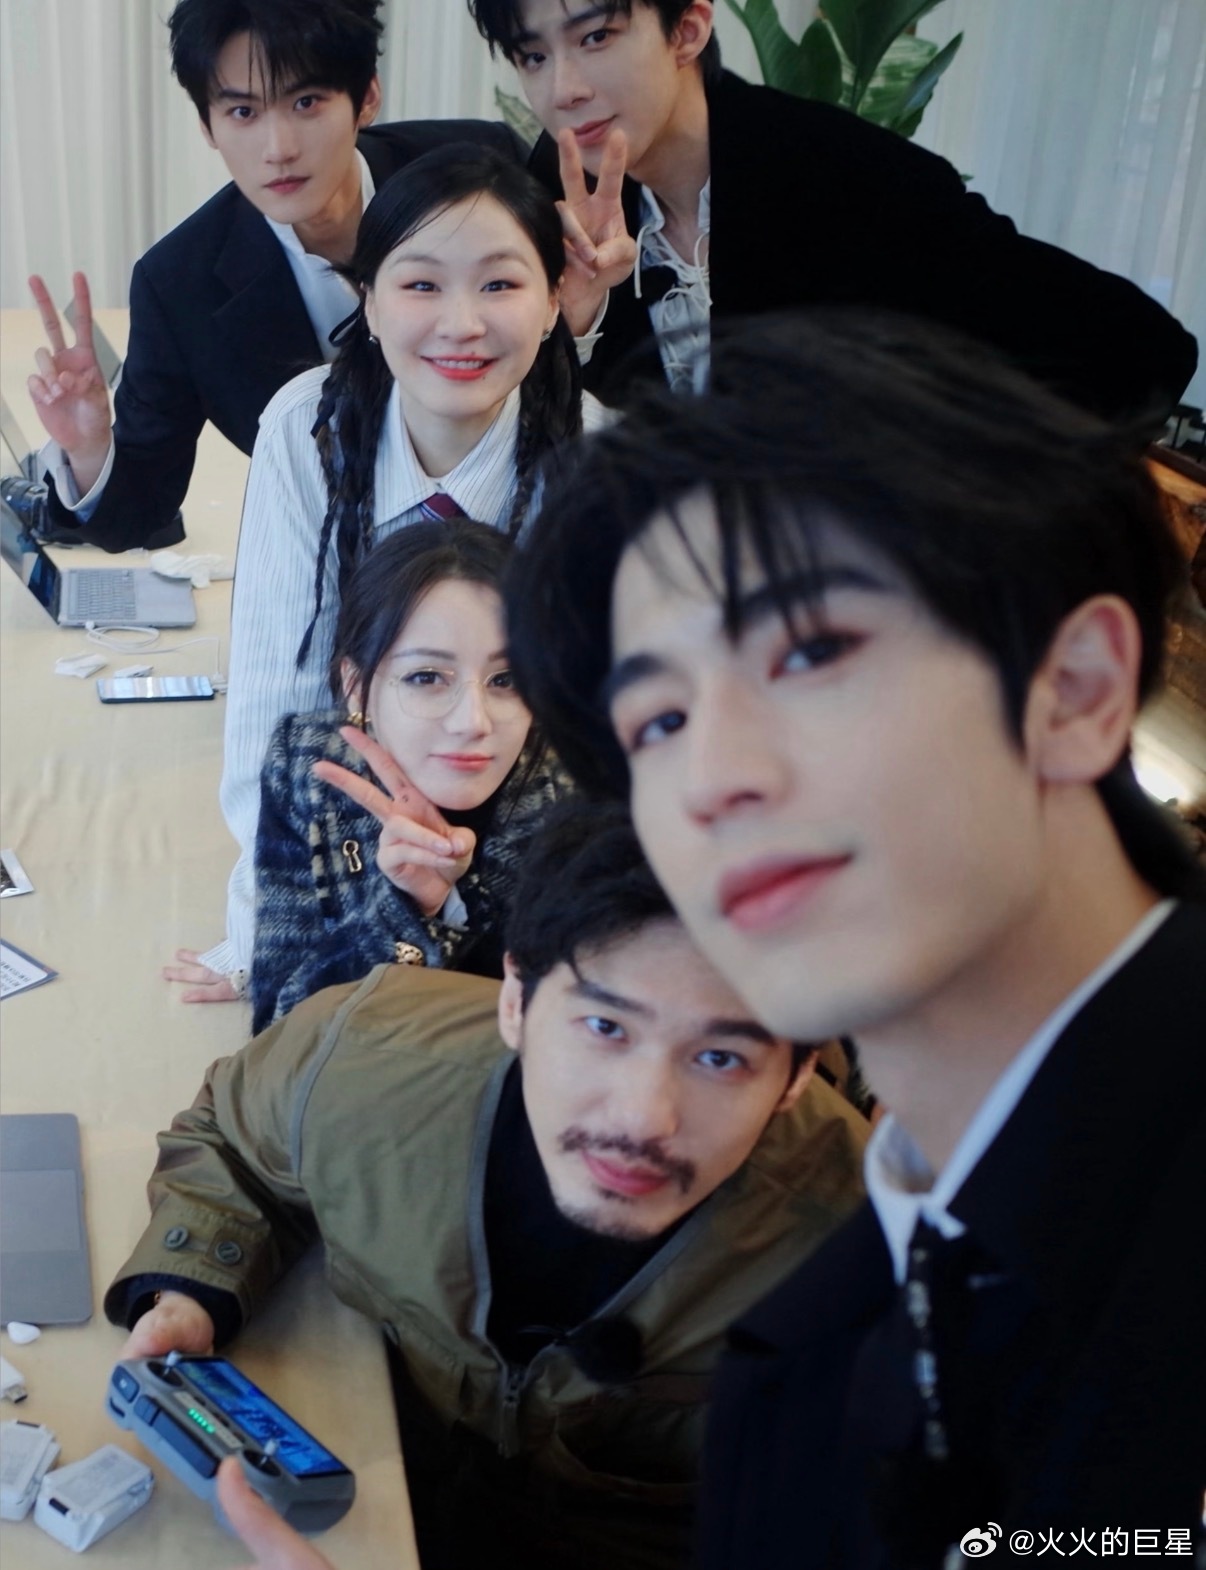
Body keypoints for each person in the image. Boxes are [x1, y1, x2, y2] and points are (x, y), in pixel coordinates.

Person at [503, 312, 1206, 1561]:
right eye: (659, 721)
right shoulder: (834, 1321)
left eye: (813, 648)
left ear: (1077, 688)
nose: (712, 775)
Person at [109, 800, 869, 1570]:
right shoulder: (360, 1057)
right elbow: (235, 1135)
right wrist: (191, 1288)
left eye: (720, 1059)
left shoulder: (876, 1259)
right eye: (605, 1028)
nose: (644, 1118)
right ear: (515, 1000)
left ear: (796, 1076)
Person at [165, 142, 607, 1004]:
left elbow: (590, 742)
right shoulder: (310, 428)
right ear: (367, 300)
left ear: (555, 300)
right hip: (348, 827)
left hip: (531, 853)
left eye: (500, 284)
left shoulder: (597, 457)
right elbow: (276, 698)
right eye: (421, 285)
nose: (461, 324)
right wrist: (265, 930)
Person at [467, 0, 1198, 419]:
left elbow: (1139, 353)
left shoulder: (842, 174)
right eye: (533, 56)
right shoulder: (563, 183)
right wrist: (582, 319)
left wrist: (937, 496)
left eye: (596, 36)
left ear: (687, 30)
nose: (563, 89)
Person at [25, 0, 521, 554]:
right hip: (337, 568)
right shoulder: (180, 284)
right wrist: (89, 449)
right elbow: (140, 511)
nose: (278, 149)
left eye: (306, 102)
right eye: (243, 112)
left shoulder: (480, 168)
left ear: (366, 97)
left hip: (521, 537)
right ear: (207, 125)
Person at [250, 519, 566, 1033]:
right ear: (356, 686)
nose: (474, 722)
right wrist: (411, 907)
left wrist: (458, 902)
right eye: (426, 677)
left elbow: (580, 1032)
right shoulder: (308, 766)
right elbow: (279, 1033)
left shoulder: (580, 782)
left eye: (506, 679)